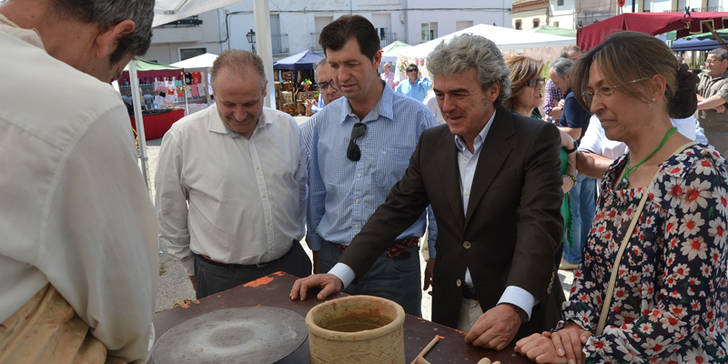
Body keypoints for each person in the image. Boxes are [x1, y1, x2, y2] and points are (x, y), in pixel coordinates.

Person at [291, 33, 564, 351]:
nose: (446, 106)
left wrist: (514, 305)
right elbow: (395, 212)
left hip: (518, 314)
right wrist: (339, 274)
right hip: (452, 308)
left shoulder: (535, 138)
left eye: (459, 94)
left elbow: (540, 226)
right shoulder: (434, 142)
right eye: (440, 93)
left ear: (492, 90)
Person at [516, 31, 728, 364]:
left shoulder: (699, 172)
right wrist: (572, 329)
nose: (595, 104)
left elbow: (683, 314)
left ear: (655, 88)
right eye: (592, 91)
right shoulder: (619, 172)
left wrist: (584, 351)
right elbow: (592, 275)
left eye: (607, 89)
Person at [0, 0, 157, 362]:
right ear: (114, 36)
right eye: (113, 75)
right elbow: (126, 312)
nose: (106, 84)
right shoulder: (83, 106)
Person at [293, 15, 437, 316]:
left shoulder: (417, 119)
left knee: (400, 350)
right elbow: (316, 193)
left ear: (376, 58)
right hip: (333, 259)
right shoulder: (320, 123)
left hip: (394, 265)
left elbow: (436, 196)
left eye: (351, 64)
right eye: (334, 65)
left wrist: (436, 252)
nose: (341, 76)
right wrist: (318, 253)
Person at [155, 50, 311, 300]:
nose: (239, 115)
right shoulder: (183, 137)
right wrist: (191, 272)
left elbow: (300, 189)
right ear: (213, 93)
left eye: (250, 104)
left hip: (289, 267)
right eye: (228, 104)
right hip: (220, 278)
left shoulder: (287, 127)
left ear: (264, 91)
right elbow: (169, 214)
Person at [505, 55, 579, 271]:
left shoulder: (539, 123)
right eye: (533, 81)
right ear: (514, 87)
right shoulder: (511, 130)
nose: (541, 85)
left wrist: (571, 150)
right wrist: (572, 172)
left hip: (552, 226)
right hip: (528, 235)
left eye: (541, 78)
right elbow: (547, 188)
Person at [550, 57, 597, 271]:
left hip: (576, 158)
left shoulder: (572, 97)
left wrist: (549, 130)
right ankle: (586, 252)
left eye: (557, 82)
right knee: (587, 209)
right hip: (590, 158)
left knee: (574, 210)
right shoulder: (586, 93)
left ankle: (572, 256)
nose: (557, 87)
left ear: (567, 76)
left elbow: (575, 131)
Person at [696, 48, 728, 156]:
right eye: (707, 61)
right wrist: (710, 104)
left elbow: (720, 99)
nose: (707, 65)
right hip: (698, 129)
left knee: (720, 166)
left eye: (712, 61)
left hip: (720, 133)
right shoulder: (702, 76)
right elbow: (690, 92)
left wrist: (695, 106)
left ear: (725, 63)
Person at [543, 46, 582, 121]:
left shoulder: (586, 80)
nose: (578, 63)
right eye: (574, 60)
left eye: (580, 59)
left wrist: (565, 107)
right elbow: (549, 111)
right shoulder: (552, 82)